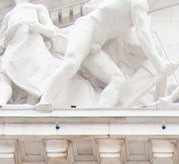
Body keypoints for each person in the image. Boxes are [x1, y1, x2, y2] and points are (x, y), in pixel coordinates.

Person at [37, 0, 170, 108]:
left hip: (95, 47)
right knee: (72, 63)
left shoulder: (143, 11)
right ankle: (44, 101)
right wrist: (159, 64)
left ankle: (98, 117)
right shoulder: (138, 2)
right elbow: (143, 35)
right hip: (86, 29)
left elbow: (140, 33)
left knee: (118, 81)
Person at [0, 0, 64, 106]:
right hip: (13, 51)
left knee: (35, 80)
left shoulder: (37, 9)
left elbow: (52, 32)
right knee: (5, 76)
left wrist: (37, 27)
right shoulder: (9, 15)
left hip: (34, 50)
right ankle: (0, 103)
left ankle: (31, 106)